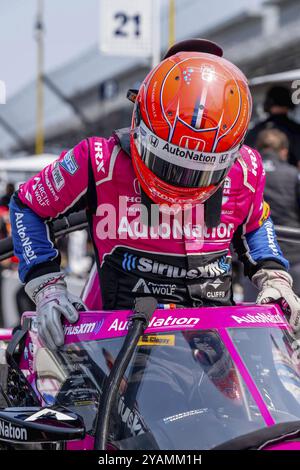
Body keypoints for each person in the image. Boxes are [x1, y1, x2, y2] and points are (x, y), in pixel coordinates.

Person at [9, 39, 300, 349]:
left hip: (214, 347)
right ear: (140, 125)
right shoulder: (98, 160)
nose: (181, 182)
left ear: (230, 155)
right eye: (170, 164)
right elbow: (26, 206)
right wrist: (48, 287)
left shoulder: (246, 170)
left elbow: (255, 225)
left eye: (198, 170)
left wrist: (274, 277)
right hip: (118, 345)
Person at [256, 128, 300, 295]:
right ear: (283, 151)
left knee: (256, 320)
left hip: (258, 264)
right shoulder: (293, 175)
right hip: (294, 257)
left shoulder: (247, 175)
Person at [246, 86, 300, 168]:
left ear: (268, 104)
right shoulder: (296, 130)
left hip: (260, 178)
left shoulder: (256, 130)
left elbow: (247, 159)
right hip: (290, 178)